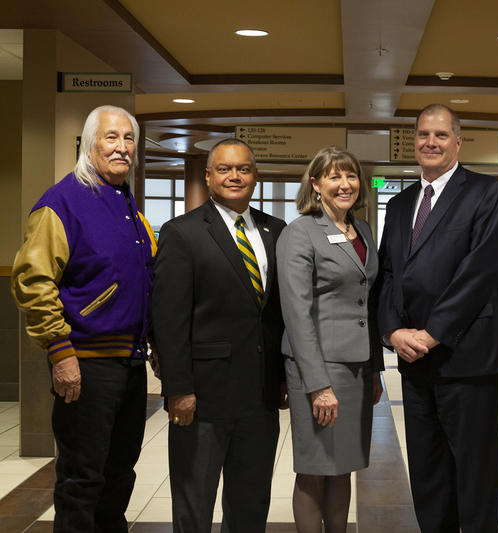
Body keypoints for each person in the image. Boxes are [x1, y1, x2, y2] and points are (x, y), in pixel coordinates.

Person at [10, 105, 155, 532]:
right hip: (86, 364)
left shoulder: (125, 200)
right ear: (89, 144)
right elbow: (33, 281)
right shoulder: (63, 201)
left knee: (118, 475)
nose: (122, 147)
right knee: (82, 480)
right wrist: (61, 353)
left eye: (129, 139)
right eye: (111, 137)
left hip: (128, 363)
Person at [377, 104, 498, 533]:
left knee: (475, 477)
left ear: (458, 141)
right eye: (422, 135)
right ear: (412, 142)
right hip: (415, 363)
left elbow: (480, 273)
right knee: (429, 475)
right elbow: (388, 275)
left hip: (466, 359)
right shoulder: (399, 205)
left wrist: (432, 333)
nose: (430, 143)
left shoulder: (488, 194)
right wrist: (393, 330)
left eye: (440, 135)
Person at [152, 138, 287, 533]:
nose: (234, 176)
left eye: (243, 169)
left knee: (251, 502)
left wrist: (280, 377)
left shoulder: (275, 230)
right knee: (195, 503)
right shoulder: (182, 233)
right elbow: (169, 320)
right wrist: (178, 388)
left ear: (255, 176)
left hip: (259, 397)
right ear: (208, 177)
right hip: (203, 397)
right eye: (224, 169)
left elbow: (276, 315)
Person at [276, 146, 384, 533]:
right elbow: (296, 312)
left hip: (357, 368)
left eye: (351, 175)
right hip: (318, 368)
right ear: (316, 184)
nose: (345, 184)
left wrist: (375, 369)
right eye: (334, 176)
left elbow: (366, 305)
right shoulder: (300, 232)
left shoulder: (364, 230)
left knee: (344, 467)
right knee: (315, 468)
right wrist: (318, 384)